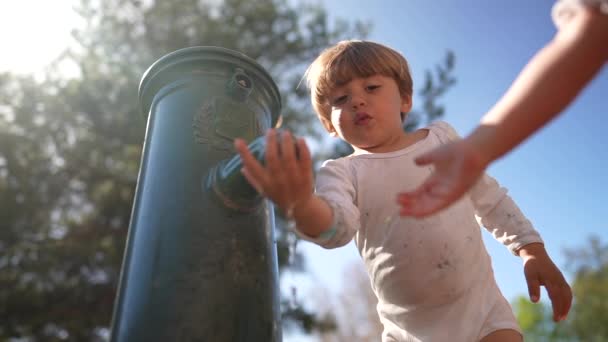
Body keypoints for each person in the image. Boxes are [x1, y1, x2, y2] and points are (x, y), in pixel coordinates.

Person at [234, 40, 572, 342]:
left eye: (372, 87)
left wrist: (531, 250)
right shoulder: (341, 172)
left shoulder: (441, 139)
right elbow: (336, 228)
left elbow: (489, 198)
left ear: (405, 99)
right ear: (328, 124)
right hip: (408, 331)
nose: (357, 102)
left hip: (481, 312)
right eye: (341, 99)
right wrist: (300, 205)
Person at [397, 0, 608, 218]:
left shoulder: (438, 134)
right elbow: (590, 30)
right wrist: (477, 149)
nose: (359, 102)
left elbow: (590, 29)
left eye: (372, 88)